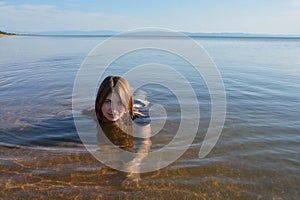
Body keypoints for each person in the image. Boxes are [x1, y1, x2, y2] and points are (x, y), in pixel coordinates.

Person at [95, 75, 151, 189]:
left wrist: (134, 163)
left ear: (126, 104)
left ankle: (139, 93)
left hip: (139, 105)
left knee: (142, 96)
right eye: (108, 101)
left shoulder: (141, 120)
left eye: (119, 103)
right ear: (100, 101)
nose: (113, 109)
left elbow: (146, 143)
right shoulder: (96, 115)